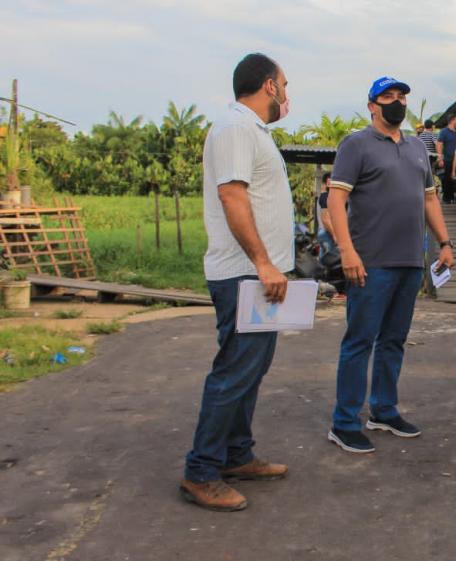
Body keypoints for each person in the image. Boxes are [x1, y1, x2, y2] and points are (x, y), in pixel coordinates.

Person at [181, 52, 292, 512]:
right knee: (234, 372)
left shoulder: (253, 131)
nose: (287, 93)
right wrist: (264, 263)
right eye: (284, 84)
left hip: (260, 275)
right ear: (268, 85)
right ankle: (201, 472)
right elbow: (232, 195)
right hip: (245, 274)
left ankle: (236, 455)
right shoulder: (234, 128)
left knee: (251, 369)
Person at [325, 76, 455, 454]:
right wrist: (346, 250)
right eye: (388, 96)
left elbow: (429, 199)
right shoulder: (356, 145)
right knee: (360, 341)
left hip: (410, 261)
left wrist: (445, 242)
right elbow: (336, 201)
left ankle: (383, 410)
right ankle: (344, 423)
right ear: (372, 105)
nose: (396, 102)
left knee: (393, 341)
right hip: (370, 263)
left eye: (401, 96)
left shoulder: (416, 147)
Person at [435, 114, 456, 203]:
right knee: (447, 179)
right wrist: (440, 159)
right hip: (448, 159)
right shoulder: (444, 131)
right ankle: (447, 198)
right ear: (452, 121)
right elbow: (439, 145)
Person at [316, 172, 335, 256]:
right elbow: (325, 219)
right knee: (331, 259)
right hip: (327, 233)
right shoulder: (325, 197)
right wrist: (335, 236)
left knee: (324, 259)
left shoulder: (322, 197)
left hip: (323, 232)